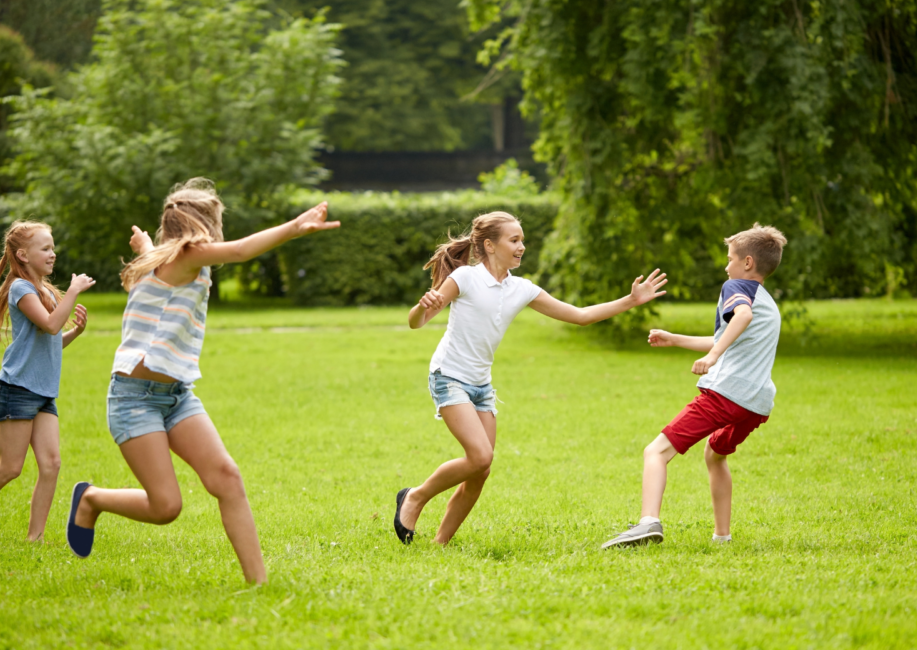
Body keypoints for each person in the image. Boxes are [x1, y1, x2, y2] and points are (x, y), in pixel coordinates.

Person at [65, 178, 339, 584]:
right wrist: (294, 226)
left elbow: (158, 262)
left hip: (176, 395)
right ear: (204, 226)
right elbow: (244, 250)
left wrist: (144, 246)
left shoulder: (162, 257)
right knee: (166, 507)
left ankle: (258, 583)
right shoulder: (191, 254)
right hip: (134, 399)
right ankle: (90, 499)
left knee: (227, 477)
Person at [394, 211, 667, 545]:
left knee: (481, 470)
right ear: (490, 245)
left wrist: (631, 301)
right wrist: (422, 307)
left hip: (481, 385)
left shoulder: (521, 289)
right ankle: (416, 497)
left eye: (522, 240)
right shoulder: (465, 278)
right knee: (479, 456)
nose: (522, 246)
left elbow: (580, 317)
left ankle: (440, 544)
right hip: (448, 375)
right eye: (515, 240)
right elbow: (416, 323)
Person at [600, 223, 787, 549]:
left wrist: (713, 356)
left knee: (655, 452)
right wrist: (674, 339)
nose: (725, 265)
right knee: (715, 454)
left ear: (747, 263)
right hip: (756, 403)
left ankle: (648, 523)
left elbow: (740, 318)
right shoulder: (768, 302)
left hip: (726, 394)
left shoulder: (736, 286)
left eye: (730, 258)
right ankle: (722, 537)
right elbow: (729, 336)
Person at [0, 221, 94, 545]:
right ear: (23, 254)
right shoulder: (21, 288)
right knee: (10, 467)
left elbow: (49, 341)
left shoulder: (45, 290)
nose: (53, 254)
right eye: (45, 248)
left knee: (51, 464)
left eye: (52, 247)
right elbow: (49, 324)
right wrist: (73, 291)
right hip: (17, 390)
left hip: (43, 392)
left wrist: (74, 333)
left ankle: (35, 538)